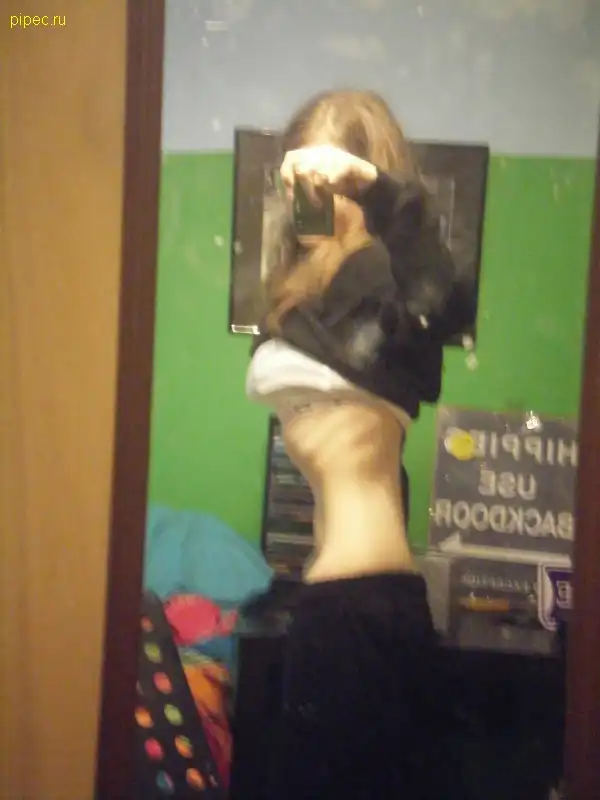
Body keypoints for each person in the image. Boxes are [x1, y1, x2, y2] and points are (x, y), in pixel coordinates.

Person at [246, 90, 473, 799]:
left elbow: (445, 299)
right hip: (353, 604)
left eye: (328, 180)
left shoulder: (386, 292)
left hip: (355, 612)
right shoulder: (320, 297)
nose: (310, 197)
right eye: (299, 179)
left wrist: (376, 191)